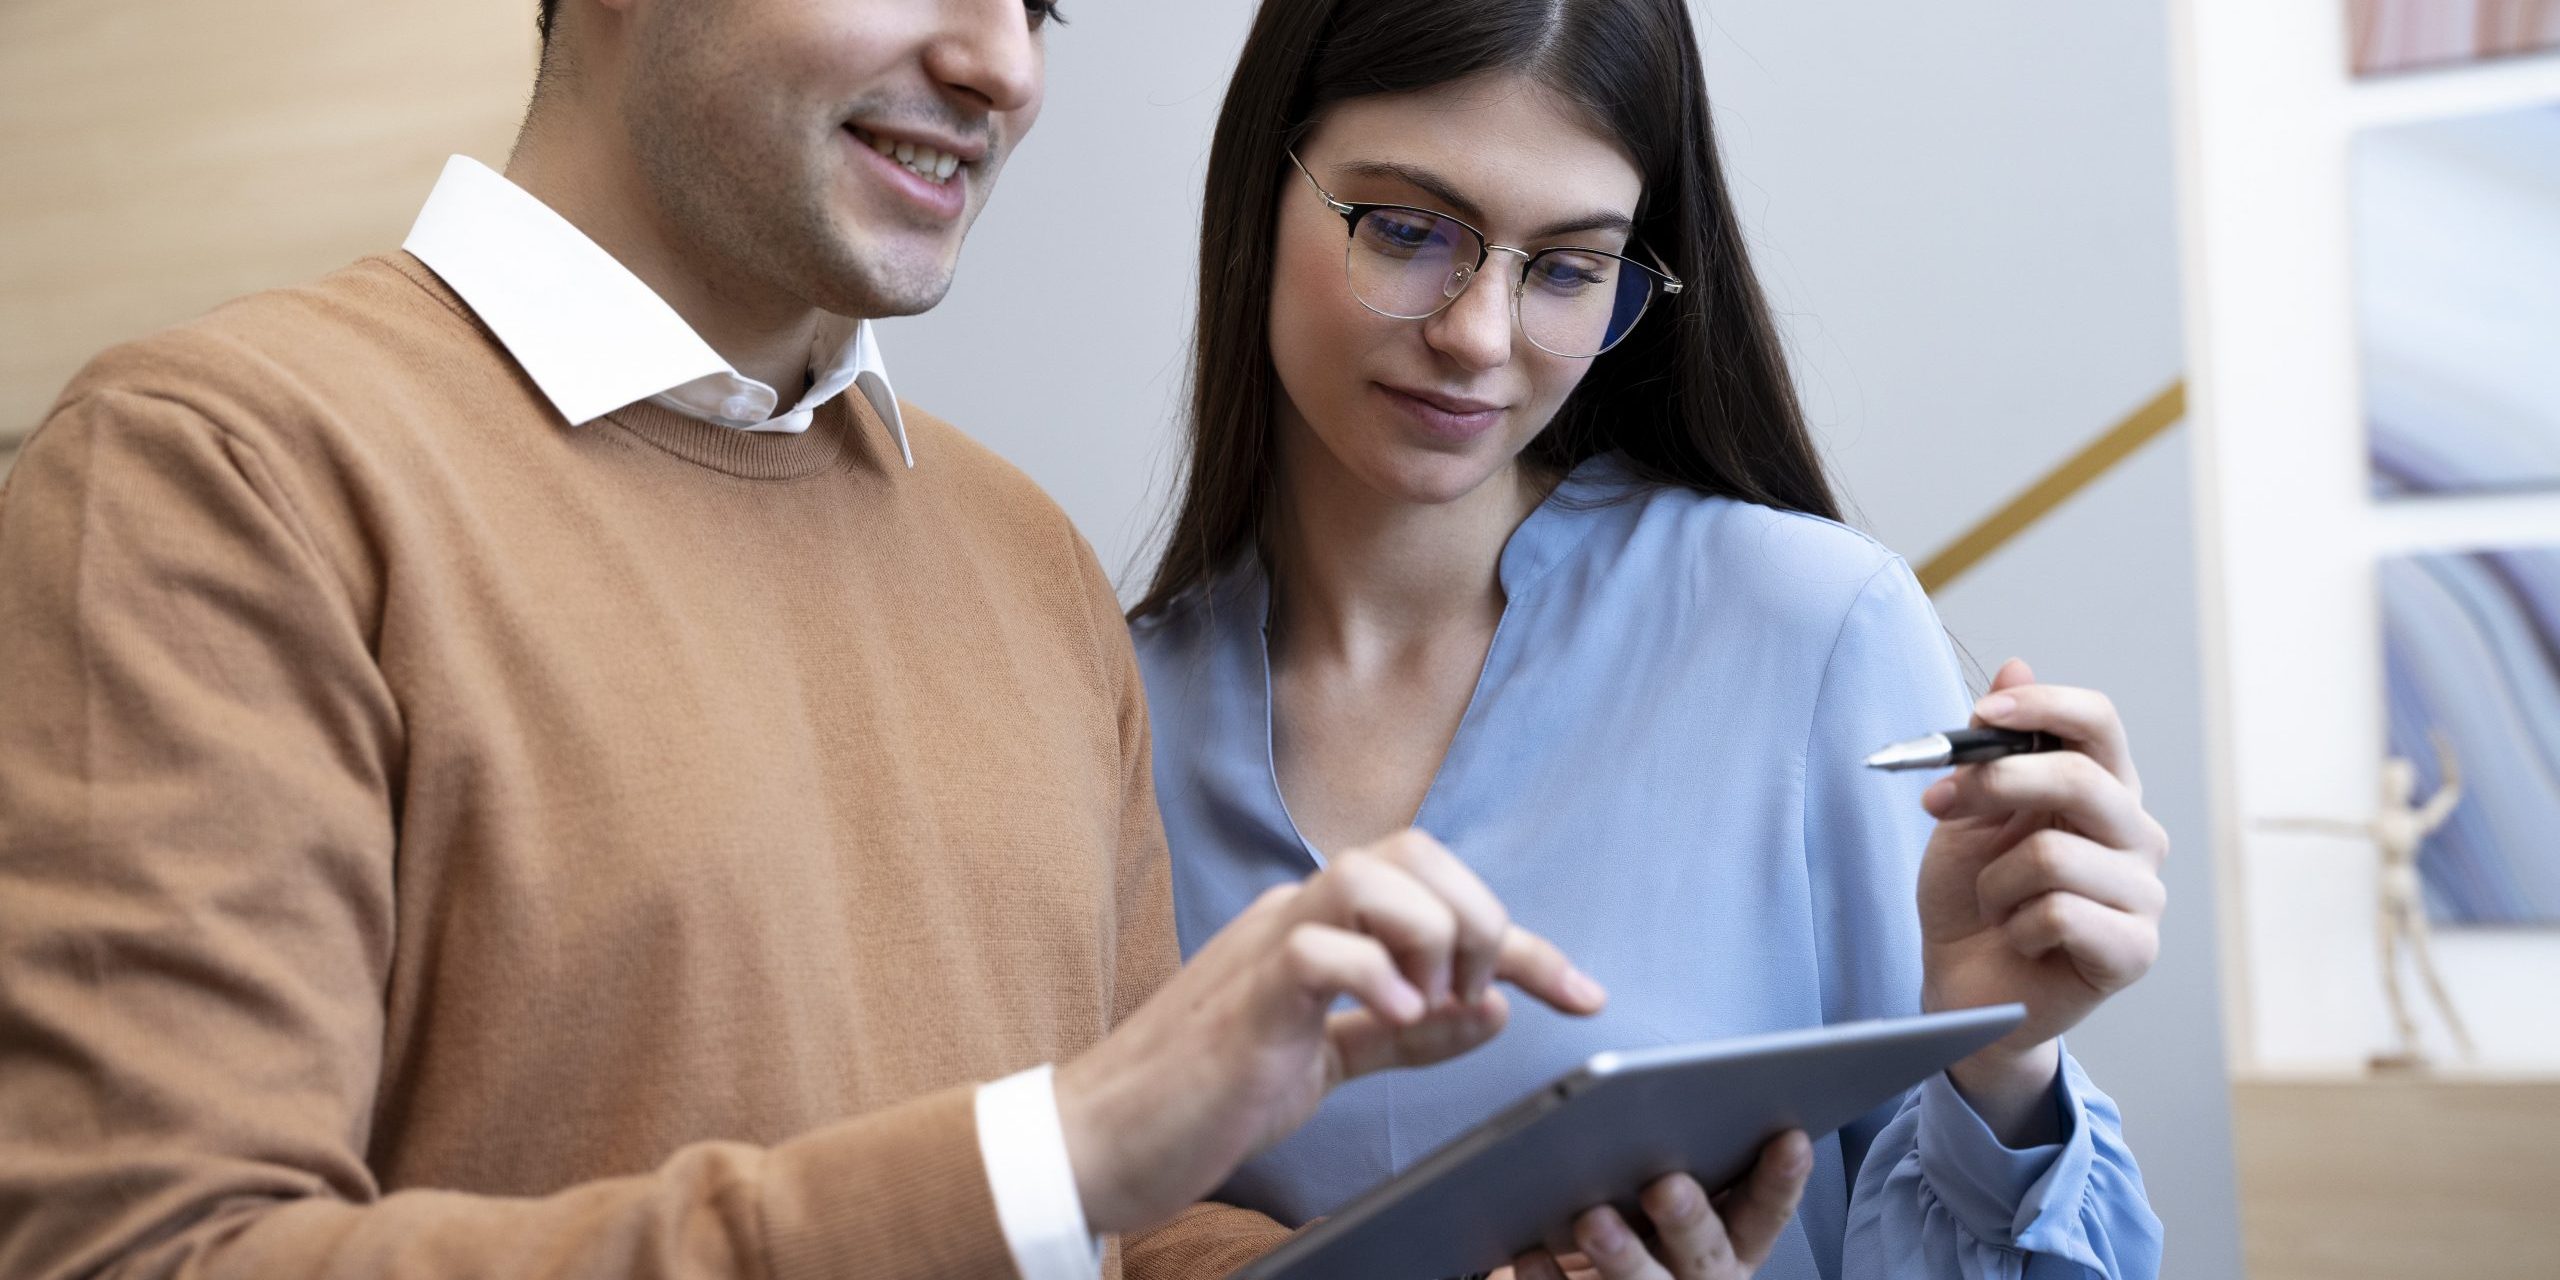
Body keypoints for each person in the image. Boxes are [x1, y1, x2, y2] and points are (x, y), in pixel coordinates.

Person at [0, 2, 1675, 1278]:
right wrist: (1051, 1154)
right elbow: (161, 1256)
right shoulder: (212, 472)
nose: (1002, 63)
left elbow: (1120, 1237)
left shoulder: (1019, 557)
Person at [1131, 1, 2171, 1276]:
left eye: (1566, 268)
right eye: (1405, 232)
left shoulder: (1807, 627)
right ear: (1261, 185)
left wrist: (2000, 1060)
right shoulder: (1112, 715)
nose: (1478, 335)